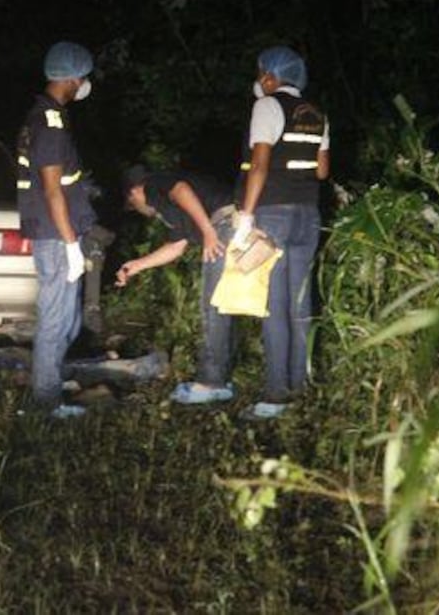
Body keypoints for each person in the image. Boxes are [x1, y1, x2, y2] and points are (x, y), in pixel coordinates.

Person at [230, 46, 330, 420]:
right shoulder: (317, 113)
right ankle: (301, 388)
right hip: (309, 213)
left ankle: (275, 394)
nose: (259, 80)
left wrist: (247, 215)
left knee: (273, 305)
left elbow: (259, 164)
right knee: (300, 305)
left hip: (274, 214)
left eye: (261, 73)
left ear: (271, 76)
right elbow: (321, 170)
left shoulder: (267, 106)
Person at [16, 41, 99, 419]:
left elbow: (61, 183)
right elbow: (52, 189)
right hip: (56, 237)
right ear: (71, 79)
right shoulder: (49, 122)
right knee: (55, 319)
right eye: (82, 77)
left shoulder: (47, 117)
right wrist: (70, 245)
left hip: (57, 232)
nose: (84, 84)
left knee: (67, 318)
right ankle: (45, 403)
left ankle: (51, 380)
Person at [116, 166, 237, 404]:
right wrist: (138, 265)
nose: (141, 211)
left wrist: (208, 231)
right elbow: (177, 246)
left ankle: (211, 382)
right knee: (223, 304)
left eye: (134, 206)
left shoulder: (154, 185)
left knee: (211, 306)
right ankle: (221, 379)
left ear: (134, 192)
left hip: (223, 223)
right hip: (226, 223)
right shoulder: (170, 209)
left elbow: (181, 189)